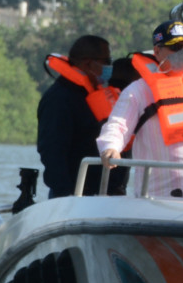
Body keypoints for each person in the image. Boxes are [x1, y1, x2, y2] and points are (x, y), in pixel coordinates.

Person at [96, 20, 183, 199]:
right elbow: (117, 126)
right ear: (157, 52)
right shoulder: (138, 91)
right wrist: (110, 147)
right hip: (156, 198)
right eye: (176, 47)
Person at [36, 34, 123, 198]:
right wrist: (65, 194)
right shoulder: (59, 98)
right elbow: (52, 151)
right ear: (88, 63)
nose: (110, 67)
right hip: (72, 196)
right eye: (107, 61)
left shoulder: (93, 95)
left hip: (102, 191)